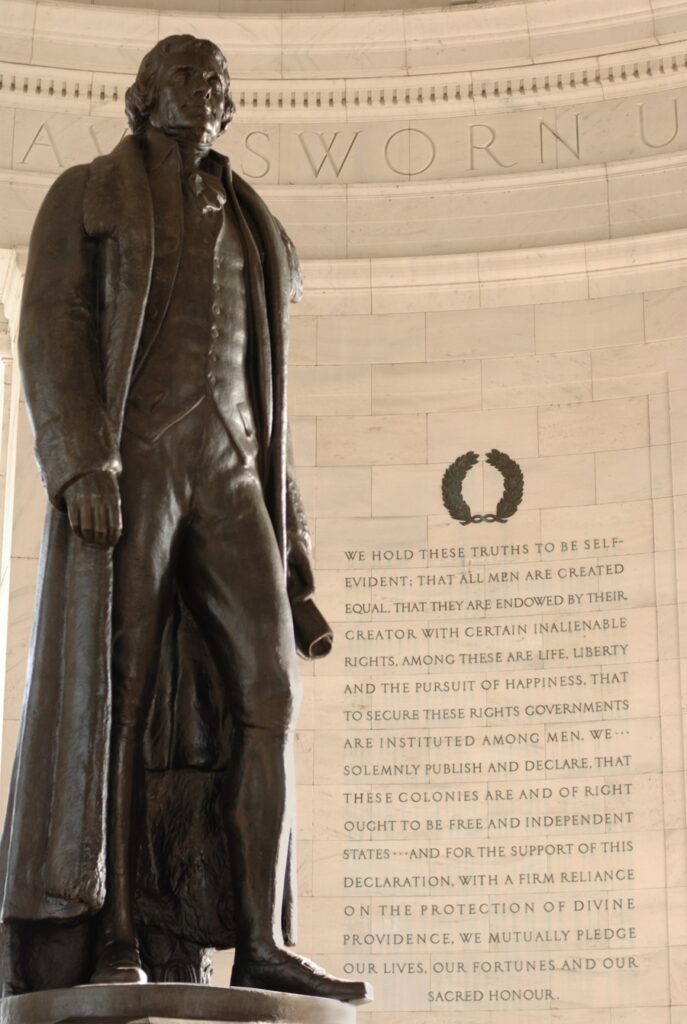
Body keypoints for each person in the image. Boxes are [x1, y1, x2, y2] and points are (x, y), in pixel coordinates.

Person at [0, 34, 369, 1004]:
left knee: (269, 697)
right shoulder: (87, 193)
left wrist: (300, 563)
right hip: (139, 456)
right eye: (183, 76)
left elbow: (273, 398)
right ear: (142, 95)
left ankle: (262, 938)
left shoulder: (257, 226)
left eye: (216, 80)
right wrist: (80, 460)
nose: (202, 90)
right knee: (114, 701)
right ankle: (117, 925)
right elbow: (51, 329)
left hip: (234, 466)